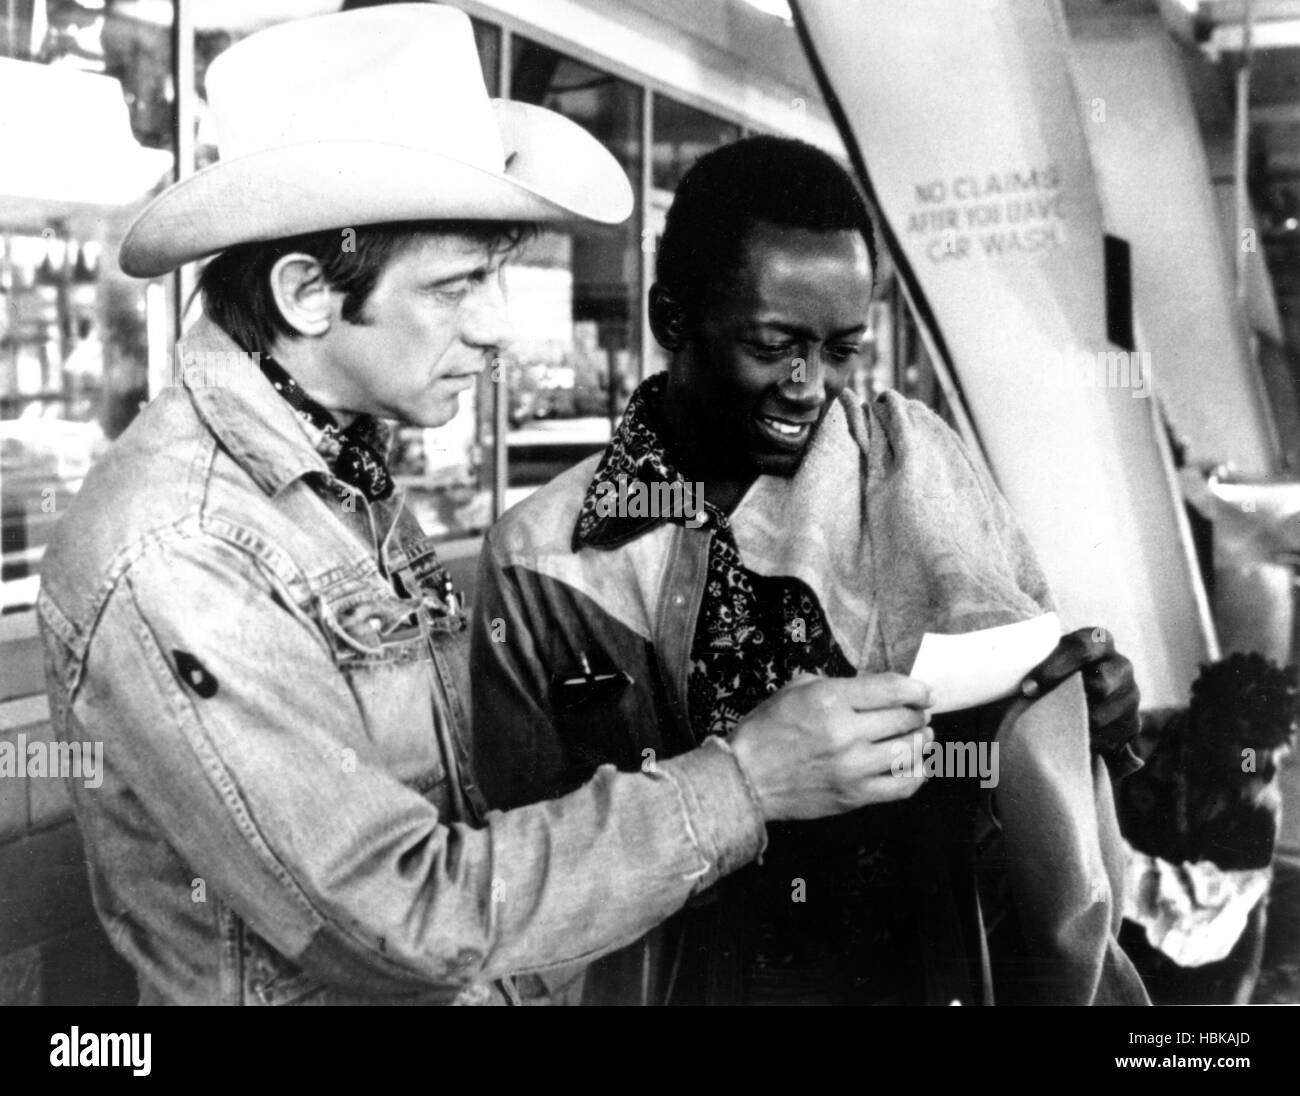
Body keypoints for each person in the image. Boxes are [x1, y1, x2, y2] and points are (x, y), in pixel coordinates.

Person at [35, 6, 940, 1006]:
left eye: (498, 273)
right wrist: (748, 780)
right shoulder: (185, 549)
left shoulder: (333, 480)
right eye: (459, 284)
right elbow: (402, 915)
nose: (499, 329)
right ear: (306, 294)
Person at [471, 136, 1149, 1005]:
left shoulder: (915, 484)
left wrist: (1078, 719)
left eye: (841, 351)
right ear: (671, 318)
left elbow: (1001, 788)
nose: (810, 385)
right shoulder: (544, 560)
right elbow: (518, 885)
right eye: (775, 344)